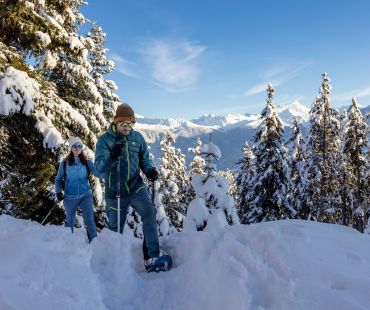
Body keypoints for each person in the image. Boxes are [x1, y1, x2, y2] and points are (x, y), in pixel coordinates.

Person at [95, 103, 161, 271]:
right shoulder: (105, 140)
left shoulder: (137, 138)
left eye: (130, 124)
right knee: (115, 229)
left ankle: (152, 257)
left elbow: (144, 159)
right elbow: (99, 168)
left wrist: (149, 170)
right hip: (115, 191)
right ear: (115, 122)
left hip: (136, 186)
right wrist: (111, 156)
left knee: (150, 213)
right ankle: (115, 265)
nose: (127, 127)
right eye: (123, 123)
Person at [55, 137, 100, 243]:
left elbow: (98, 173)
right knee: (69, 221)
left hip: (86, 196)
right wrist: (58, 192)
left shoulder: (86, 162)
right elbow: (58, 179)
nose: (77, 148)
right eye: (74, 146)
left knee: (89, 221)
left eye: (79, 146)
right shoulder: (65, 163)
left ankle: (94, 244)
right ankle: (68, 244)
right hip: (70, 197)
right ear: (71, 148)